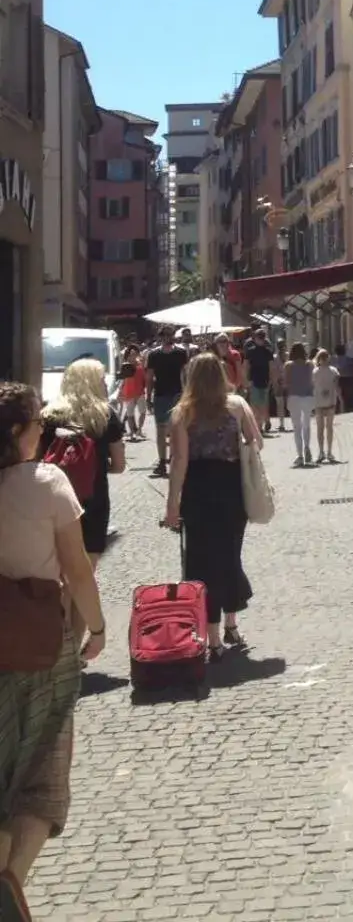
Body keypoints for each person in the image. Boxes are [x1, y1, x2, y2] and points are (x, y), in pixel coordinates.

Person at [0, 382, 106, 905]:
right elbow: (78, 568)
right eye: (38, 424)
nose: (45, 431)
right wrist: (100, 626)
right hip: (40, 639)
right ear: (18, 432)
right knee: (41, 778)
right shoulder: (45, 482)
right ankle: (10, 886)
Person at [164, 353, 260, 658]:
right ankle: (232, 623)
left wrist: (172, 505)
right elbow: (256, 441)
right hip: (231, 487)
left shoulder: (182, 413)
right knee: (230, 555)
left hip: (198, 489)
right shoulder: (236, 406)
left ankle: (213, 637)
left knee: (202, 561)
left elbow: (178, 462)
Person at [40, 359, 126, 568]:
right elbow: (119, 465)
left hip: (54, 497)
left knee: (57, 563)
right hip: (93, 498)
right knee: (87, 567)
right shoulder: (106, 415)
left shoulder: (49, 414)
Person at [144, 329, 191, 479]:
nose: (168, 338)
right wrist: (148, 396)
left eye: (170, 335)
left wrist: (188, 394)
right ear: (160, 337)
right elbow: (150, 377)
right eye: (165, 335)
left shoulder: (181, 353)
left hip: (178, 394)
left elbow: (186, 374)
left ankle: (174, 458)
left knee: (177, 428)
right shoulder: (154, 355)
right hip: (161, 395)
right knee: (161, 429)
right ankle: (162, 461)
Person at [283, 343, 314, 468]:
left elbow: (285, 383)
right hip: (308, 396)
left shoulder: (288, 366)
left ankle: (300, 455)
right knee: (306, 425)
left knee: (297, 428)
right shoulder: (310, 364)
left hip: (294, 397)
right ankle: (307, 447)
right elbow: (313, 381)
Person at [311, 349, 343, 464]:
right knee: (329, 427)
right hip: (330, 401)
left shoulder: (314, 372)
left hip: (318, 402)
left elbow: (312, 386)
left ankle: (321, 452)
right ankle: (329, 452)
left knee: (320, 428)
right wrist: (341, 399)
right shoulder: (334, 371)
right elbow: (336, 386)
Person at [240, 328, 275, 435]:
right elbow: (271, 368)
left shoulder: (251, 351)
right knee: (261, 404)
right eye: (260, 337)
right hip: (257, 381)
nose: (260, 339)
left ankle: (259, 427)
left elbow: (245, 366)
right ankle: (260, 426)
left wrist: (246, 380)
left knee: (257, 405)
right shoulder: (267, 351)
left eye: (261, 337)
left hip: (257, 381)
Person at [116, 344, 147, 440]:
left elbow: (143, 378)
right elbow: (122, 380)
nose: (133, 356)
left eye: (135, 354)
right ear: (128, 355)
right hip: (128, 392)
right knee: (130, 414)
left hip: (140, 392)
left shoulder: (140, 365)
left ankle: (139, 430)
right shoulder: (125, 366)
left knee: (143, 412)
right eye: (131, 354)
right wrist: (120, 391)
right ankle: (132, 432)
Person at [270, 340, 289, 435]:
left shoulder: (274, 358)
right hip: (288, 384)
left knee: (280, 405)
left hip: (279, 384)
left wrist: (275, 383)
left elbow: (274, 372)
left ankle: (282, 424)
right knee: (288, 405)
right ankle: (293, 423)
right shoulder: (288, 356)